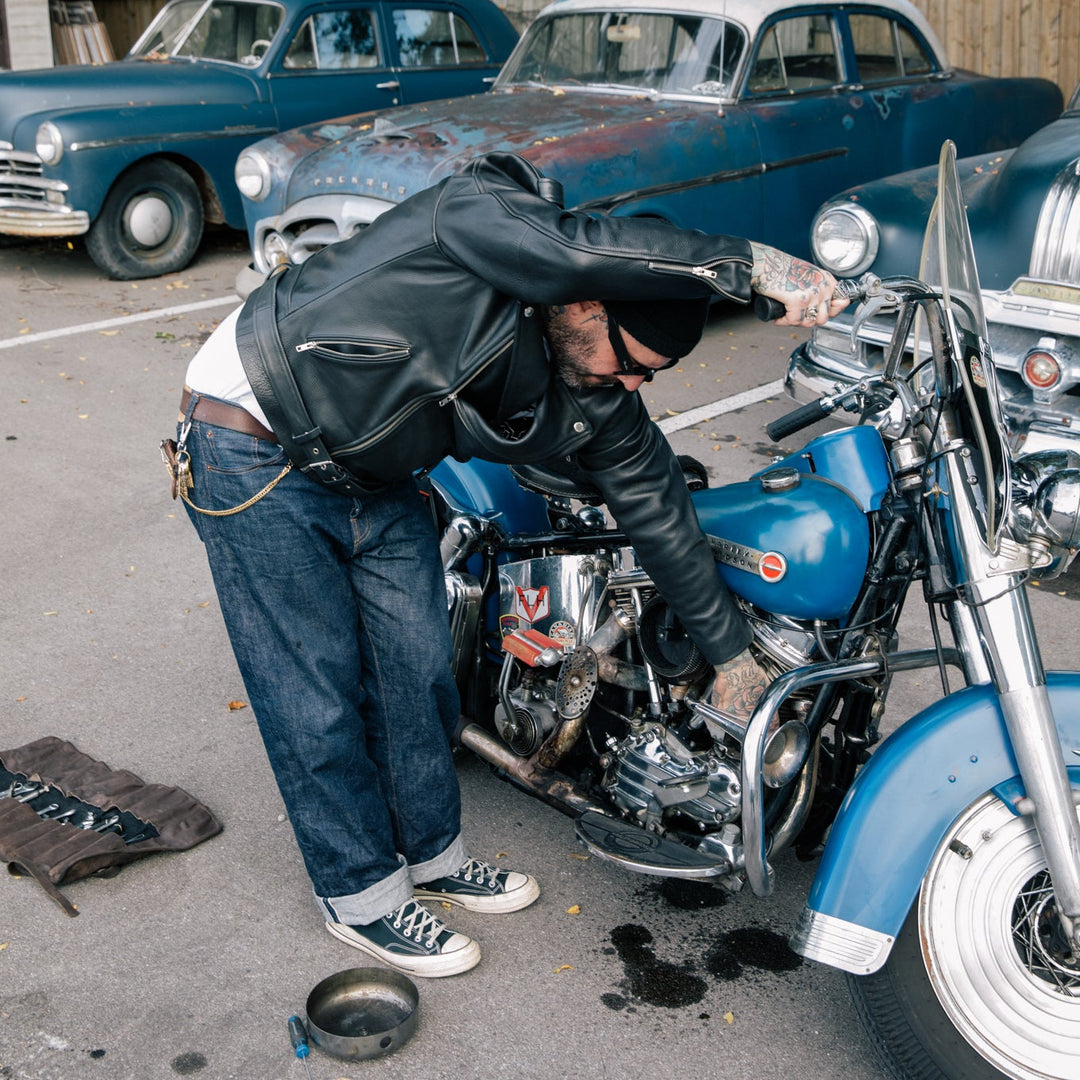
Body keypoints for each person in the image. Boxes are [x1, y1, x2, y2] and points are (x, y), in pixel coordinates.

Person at [170, 152, 846, 979]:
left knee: (419, 671)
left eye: (648, 376)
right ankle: (362, 899)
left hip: (375, 470)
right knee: (315, 694)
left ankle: (433, 857)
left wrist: (735, 658)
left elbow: (662, 513)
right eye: (625, 359)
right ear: (584, 301)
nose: (629, 382)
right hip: (253, 443)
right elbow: (576, 242)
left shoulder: (599, 390)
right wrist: (745, 265)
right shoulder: (474, 220)